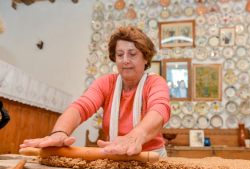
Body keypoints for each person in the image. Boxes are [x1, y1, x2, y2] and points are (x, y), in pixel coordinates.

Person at [20, 26, 171, 157]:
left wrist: (134, 137)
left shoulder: (155, 82)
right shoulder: (106, 83)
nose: (125, 60)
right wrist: (59, 132)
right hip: (116, 156)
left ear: (145, 58)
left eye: (132, 54)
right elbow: (80, 107)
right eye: (120, 55)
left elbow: (159, 109)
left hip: (152, 158)